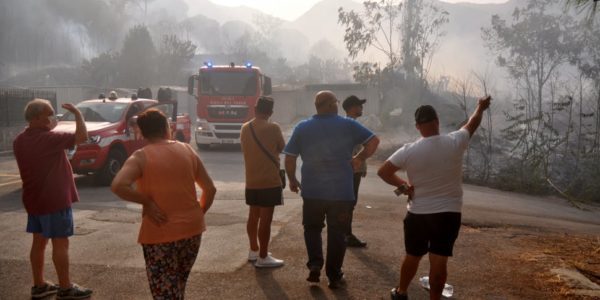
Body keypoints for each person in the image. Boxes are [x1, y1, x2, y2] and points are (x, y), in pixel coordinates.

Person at [377, 96, 492, 300]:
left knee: (412, 256)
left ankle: (401, 292)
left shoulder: (409, 150)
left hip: (418, 213)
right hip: (448, 214)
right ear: (437, 121)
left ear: (417, 126)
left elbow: (384, 171)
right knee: (439, 261)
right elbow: (472, 123)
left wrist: (403, 186)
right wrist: (480, 107)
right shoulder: (455, 141)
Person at [111, 109, 216, 299]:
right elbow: (210, 189)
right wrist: (199, 212)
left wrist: (146, 202)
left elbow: (118, 185)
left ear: (141, 133)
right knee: (178, 284)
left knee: (165, 292)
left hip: (160, 233)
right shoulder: (187, 150)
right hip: (192, 231)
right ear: (167, 128)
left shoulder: (141, 156)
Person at [284, 90, 380, 288]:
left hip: (312, 192)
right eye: (335, 102)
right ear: (329, 104)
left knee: (312, 229)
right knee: (337, 233)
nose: (338, 105)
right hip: (341, 193)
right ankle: (334, 275)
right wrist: (359, 158)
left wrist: (292, 179)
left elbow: (290, 157)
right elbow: (374, 141)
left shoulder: (303, 127)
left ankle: (315, 265)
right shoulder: (348, 124)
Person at [13, 99, 93, 299]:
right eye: (49, 114)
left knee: (38, 242)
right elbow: (82, 136)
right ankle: (66, 288)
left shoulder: (20, 140)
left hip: (34, 199)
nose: (53, 117)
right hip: (55, 199)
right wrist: (77, 113)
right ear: (37, 117)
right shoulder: (49, 139)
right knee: (60, 243)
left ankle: (39, 285)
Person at [240, 96, 286, 268]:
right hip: (269, 181)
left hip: (251, 181)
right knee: (266, 220)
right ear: (271, 112)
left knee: (253, 216)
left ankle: (253, 250)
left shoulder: (245, 128)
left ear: (255, 109)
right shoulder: (273, 127)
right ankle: (263, 256)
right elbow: (282, 148)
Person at [342, 95, 368, 248]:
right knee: (348, 203)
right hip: (351, 170)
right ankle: (346, 235)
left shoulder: (350, 124)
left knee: (349, 203)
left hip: (354, 170)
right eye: (359, 105)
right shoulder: (349, 125)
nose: (361, 108)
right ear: (351, 108)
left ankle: (345, 234)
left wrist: (363, 167)